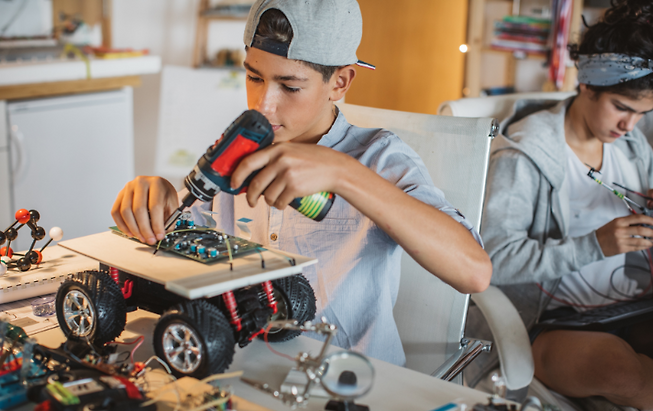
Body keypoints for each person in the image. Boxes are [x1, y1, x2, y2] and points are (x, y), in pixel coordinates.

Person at [111, 0, 491, 366]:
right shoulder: (239, 150)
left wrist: (344, 174)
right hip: (243, 368)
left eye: (290, 86)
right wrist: (156, 202)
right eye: (254, 77)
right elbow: (175, 239)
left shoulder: (379, 158)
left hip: (352, 380)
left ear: (339, 82)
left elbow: (473, 272)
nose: (264, 105)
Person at [478, 0, 653, 407]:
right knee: (617, 370)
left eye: (643, 114)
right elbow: (493, 260)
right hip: (556, 325)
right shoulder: (524, 156)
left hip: (636, 309)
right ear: (588, 85)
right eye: (621, 108)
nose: (630, 125)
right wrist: (594, 246)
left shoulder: (632, 148)